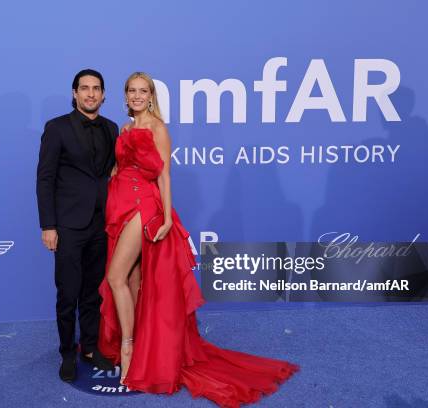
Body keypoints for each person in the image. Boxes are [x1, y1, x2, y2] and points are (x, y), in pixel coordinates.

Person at [98, 72, 299, 406]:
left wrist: (164, 216)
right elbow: (121, 168)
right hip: (119, 204)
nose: (136, 96)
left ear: (151, 96)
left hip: (142, 206)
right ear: (125, 96)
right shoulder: (125, 128)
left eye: (142, 91)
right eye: (131, 91)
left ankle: (128, 346)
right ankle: (142, 345)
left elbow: (163, 175)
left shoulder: (158, 129)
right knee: (133, 280)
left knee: (115, 277)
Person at [37, 69, 116, 382]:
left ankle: (90, 348)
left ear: (104, 94)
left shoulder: (112, 129)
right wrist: (48, 225)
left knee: (93, 293)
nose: (91, 94)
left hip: (101, 223)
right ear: (74, 93)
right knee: (67, 293)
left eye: (96, 89)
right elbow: (45, 178)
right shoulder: (56, 128)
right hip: (68, 225)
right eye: (85, 88)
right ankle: (67, 353)